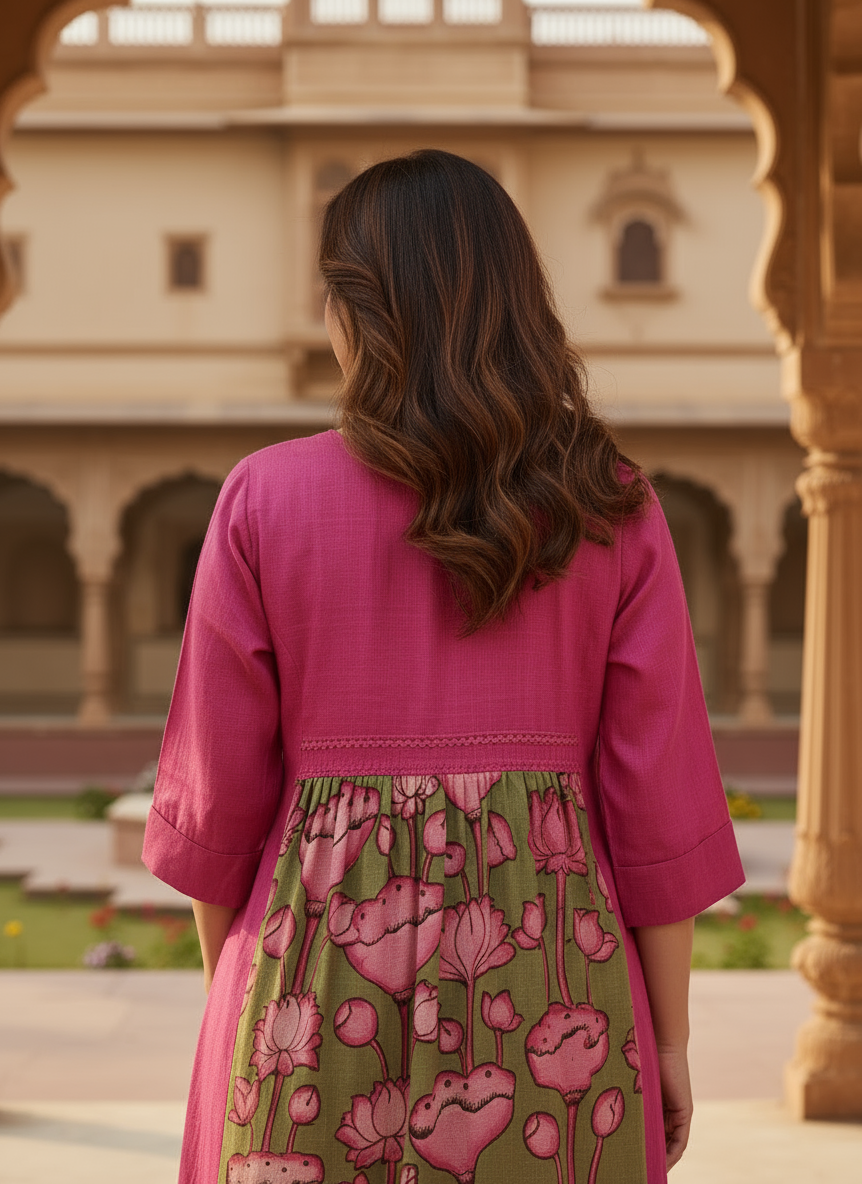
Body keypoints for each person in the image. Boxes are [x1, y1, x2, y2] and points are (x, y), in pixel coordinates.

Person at [143, 149, 744, 1184]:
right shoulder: (610, 505)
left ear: (355, 312)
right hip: (554, 985)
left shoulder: (262, 500)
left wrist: (237, 1002)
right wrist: (672, 1038)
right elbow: (656, 800)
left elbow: (219, 811)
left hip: (310, 980)